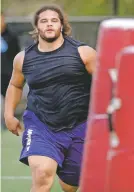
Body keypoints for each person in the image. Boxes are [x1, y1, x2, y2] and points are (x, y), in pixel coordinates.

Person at [4, 4, 96, 192]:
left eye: (54, 20)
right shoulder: (23, 58)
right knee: (43, 173)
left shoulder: (84, 53)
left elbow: (105, 84)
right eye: (44, 21)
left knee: (70, 186)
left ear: (62, 25)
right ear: (37, 27)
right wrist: (8, 114)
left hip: (79, 125)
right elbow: (15, 85)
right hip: (41, 124)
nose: (49, 24)